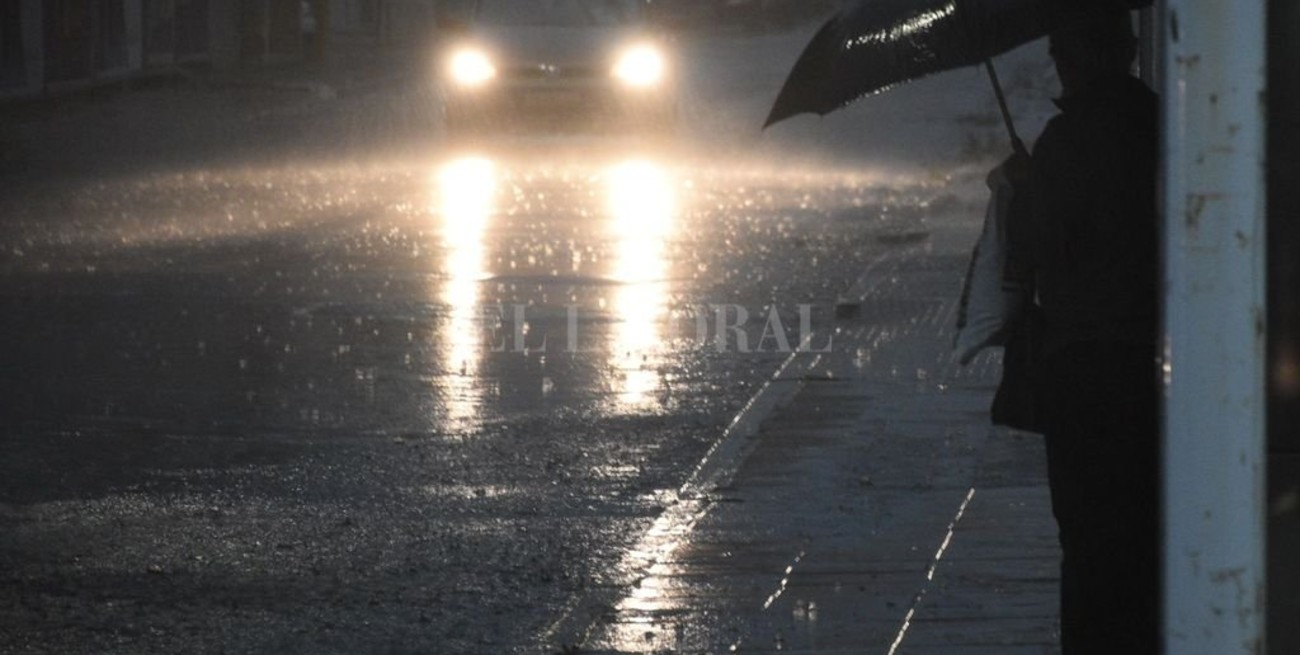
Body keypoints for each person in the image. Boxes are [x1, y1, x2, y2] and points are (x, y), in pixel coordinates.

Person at [1005, 9, 1161, 653]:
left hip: (1082, 366)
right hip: (1156, 367)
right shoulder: (1162, 127)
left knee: (1089, 545)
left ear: (1078, 55)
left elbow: (1036, 259)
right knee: (1146, 535)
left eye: (1059, 51)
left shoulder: (1067, 144)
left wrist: (1023, 191)